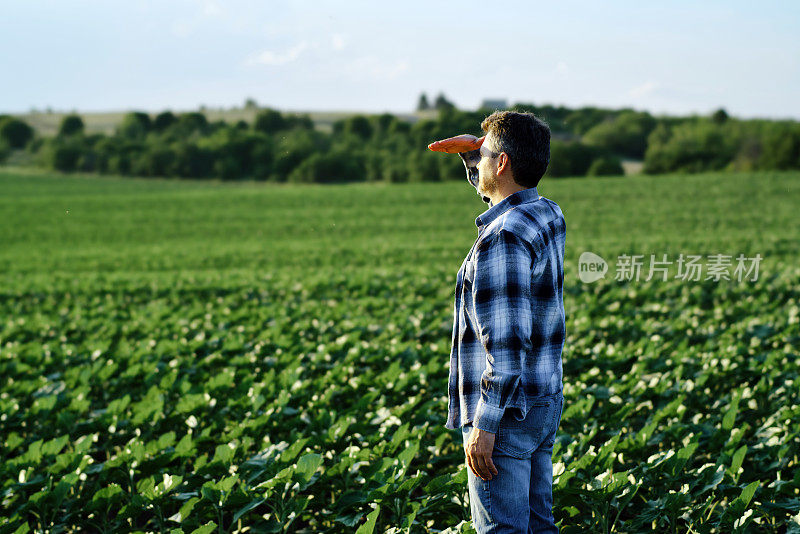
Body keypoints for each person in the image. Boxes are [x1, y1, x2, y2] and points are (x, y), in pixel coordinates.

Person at [429, 110, 566, 533]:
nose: (479, 163)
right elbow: (499, 192)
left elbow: (506, 346)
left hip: (506, 411)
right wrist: (477, 153)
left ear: (503, 163)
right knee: (539, 525)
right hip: (542, 399)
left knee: (503, 530)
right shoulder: (546, 213)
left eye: (486, 155)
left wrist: (486, 425)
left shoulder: (503, 237)